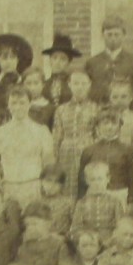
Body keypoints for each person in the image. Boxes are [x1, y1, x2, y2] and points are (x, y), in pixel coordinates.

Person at [0, 86, 55, 209]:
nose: (18, 107)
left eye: (22, 103)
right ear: (8, 105)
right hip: (6, 187)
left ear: (30, 104)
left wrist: (45, 187)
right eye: (13, 103)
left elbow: (49, 163)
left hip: (33, 186)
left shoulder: (42, 131)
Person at [53, 68, 101, 197]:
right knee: (67, 187)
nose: (79, 87)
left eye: (83, 83)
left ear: (89, 84)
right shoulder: (61, 110)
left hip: (88, 151)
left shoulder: (96, 108)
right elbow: (57, 136)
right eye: (76, 83)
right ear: (69, 85)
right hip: (66, 153)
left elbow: (98, 135)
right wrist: (56, 157)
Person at [79, 109, 133, 201]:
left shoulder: (128, 150)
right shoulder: (89, 151)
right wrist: (81, 199)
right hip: (94, 195)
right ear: (97, 126)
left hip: (119, 194)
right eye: (105, 123)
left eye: (114, 123)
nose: (109, 127)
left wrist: (131, 198)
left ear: (119, 126)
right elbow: (82, 180)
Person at [86, 16, 133, 103]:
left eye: (117, 34)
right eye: (109, 34)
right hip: (99, 109)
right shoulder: (92, 62)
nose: (113, 38)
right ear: (102, 36)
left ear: (124, 36)